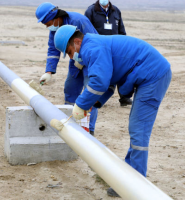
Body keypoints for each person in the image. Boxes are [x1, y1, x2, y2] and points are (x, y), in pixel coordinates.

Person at [54, 25, 172, 197]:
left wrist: (80, 104)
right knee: (136, 127)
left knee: (139, 129)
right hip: (147, 73)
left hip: (153, 75)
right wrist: (91, 104)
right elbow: (108, 85)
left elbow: (99, 83)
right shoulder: (91, 45)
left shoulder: (91, 48)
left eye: (70, 52)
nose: (72, 58)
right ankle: (129, 177)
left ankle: (136, 185)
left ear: (77, 42)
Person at [35, 2, 99, 135]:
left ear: (55, 17)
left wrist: (83, 59)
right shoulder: (55, 28)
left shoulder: (78, 21)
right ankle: (72, 124)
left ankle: (89, 129)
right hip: (74, 60)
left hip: (90, 61)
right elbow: (53, 49)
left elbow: (95, 42)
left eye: (48, 24)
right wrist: (49, 71)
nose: (48, 27)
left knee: (90, 92)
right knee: (70, 89)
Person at [84, 0, 132, 107]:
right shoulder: (91, 11)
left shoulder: (116, 11)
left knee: (120, 70)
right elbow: (86, 31)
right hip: (99, 48)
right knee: (100, 72)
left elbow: (121, 29)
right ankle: (95, 97)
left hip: (115, 46)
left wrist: (124, 44)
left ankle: (124, 97)